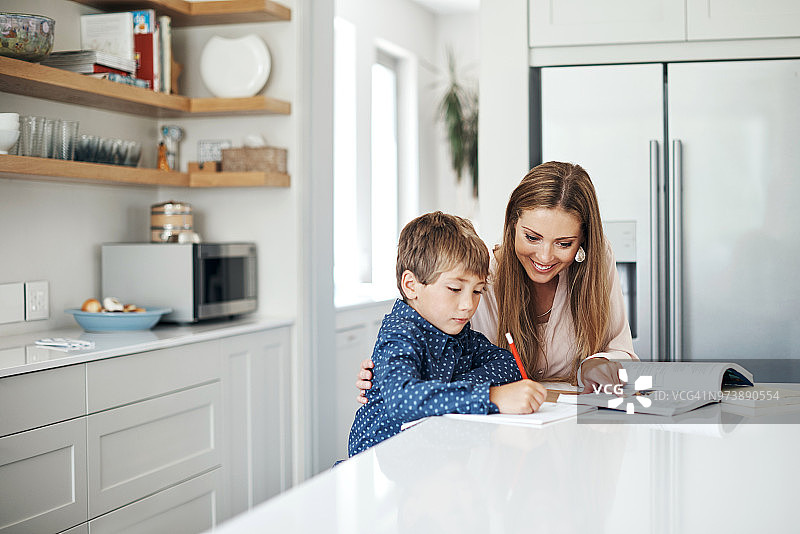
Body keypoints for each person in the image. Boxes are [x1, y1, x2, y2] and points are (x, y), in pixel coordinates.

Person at [357, 162, 637, 402]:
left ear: (583, 240)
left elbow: (621, 354)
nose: (544, 256)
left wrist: (602, 367)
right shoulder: (479, 278)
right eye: (532, 237)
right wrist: (392, 374)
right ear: (513, 223)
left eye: (564, 243)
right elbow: (432, 342)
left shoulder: (597, 265)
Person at [348, 211, 546, 457]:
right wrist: (490, 396)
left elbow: (508, 364)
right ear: (411, 285)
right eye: (454, 288)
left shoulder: (458, 332)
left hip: (436, 455)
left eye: (477, 291)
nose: (468, 305)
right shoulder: (400, 333)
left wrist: (443, 387)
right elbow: (402, 400)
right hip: (384, 463)